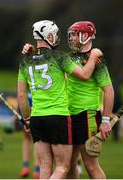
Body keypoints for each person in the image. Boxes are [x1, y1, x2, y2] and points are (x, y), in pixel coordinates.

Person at [18, 20, 102, 179]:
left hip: (37, 118)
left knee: (45, 166)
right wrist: (94, 56)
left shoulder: (24, 61)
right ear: (48, 35)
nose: (56, 38)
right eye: (54, 35)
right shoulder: (59, 57)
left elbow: (22, 95)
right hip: (59, 118)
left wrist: (27, 119)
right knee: (63, 167)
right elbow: (85, 75)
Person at [66, 21, 114, 179]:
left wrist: (106, 120)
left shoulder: (96, 61)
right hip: (68, 115)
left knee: (90, 165)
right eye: (71, 34)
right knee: (68, 165)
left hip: (87, 116)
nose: (71, 38)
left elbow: (108, 90)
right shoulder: (69, 57)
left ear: (85, 36)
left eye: (74, 34)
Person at [14, 92, 40, 179]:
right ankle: (37, 170)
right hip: (37, 109)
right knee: (37, 141)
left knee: (26, 139)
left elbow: (21, 95)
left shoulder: (25, 79)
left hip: (26, 108)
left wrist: (16, 115)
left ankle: (25, 167)